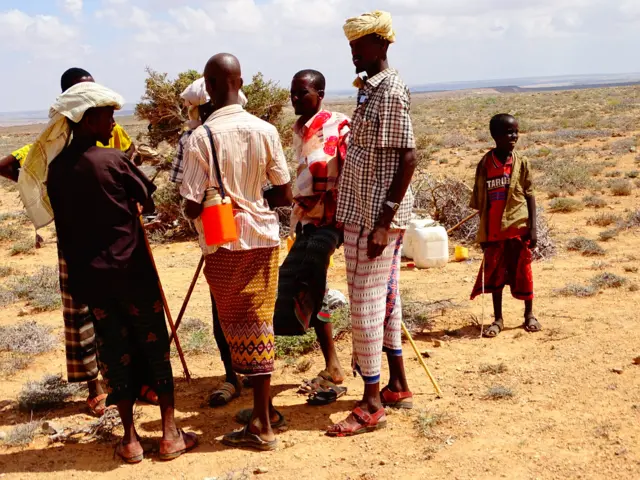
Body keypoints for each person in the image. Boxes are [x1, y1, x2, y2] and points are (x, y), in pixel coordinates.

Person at [46, 81, 196, 463]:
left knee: (114, 352)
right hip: (132, 271)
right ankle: (168, 434)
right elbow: (146, 197)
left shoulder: (57, 168)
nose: (113, 119)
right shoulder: (111, 159)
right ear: (88, 118)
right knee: (153, 345)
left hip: (92, 280)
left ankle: (129, 439)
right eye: (107, 114)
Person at [10, 68, 151, 417]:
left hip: (119, 238)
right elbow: (15, 165)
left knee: (127, 308)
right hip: (76, 241)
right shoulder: (51, 143)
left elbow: (129, 162)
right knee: (82, 314)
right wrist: (46, 195)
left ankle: (137, 379)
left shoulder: (113, 132)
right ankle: (95, 387)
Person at [180, 53, 292, 451]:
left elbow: (192, 204)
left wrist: (215, 195)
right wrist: (252, 193)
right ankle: (264, 414)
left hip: (223, 241)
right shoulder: (265, 130)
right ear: (240, 82)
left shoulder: (199, 138)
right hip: (263, 238)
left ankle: (262, 425)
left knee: (236, 327)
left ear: (208, 87)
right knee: (261, 323)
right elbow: (284, 192)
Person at [327, 10, 417, 437]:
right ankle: (396, 384)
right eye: (349, 47)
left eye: (358, 47)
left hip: (375, 219)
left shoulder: (391, 90)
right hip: (362, 214)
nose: (352, 55)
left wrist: (382, 223)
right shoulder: (368, 90)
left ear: (381, 43)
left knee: (364, 306)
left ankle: (370, 402)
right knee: (386, 299)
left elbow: (407, 157)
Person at [273, 69, 349, 404]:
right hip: (307, 219)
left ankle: (336, 363)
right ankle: (332, 364)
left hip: (332, 219)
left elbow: (334, 170)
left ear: (319, 92)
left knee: (307, 272)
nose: (294, 99)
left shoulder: (336, 124)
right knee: (308, 285)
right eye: (291, 93)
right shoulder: (299, 129)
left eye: (301, 93)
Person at [170, 78, 244, 407]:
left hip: (217, 233)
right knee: (251, 308)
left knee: (223, 308)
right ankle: (249, 374)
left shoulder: (192, 138)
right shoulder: (255, 127)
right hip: (253, 232)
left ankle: (234, 375)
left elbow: (186, 196)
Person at [469, 114, 541, 337]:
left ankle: (529, 314)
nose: (514, 137)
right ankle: (498, 318)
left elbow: (530, 195)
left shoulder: (521, 163)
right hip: (494, 231)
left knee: (523, 271)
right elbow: (481, 199)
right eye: (509, 133)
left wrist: (533, 227)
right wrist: (483, 233)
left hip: (518, 228)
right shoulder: (486, 163)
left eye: (516, 132)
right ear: (495, 136)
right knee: (496, 275)